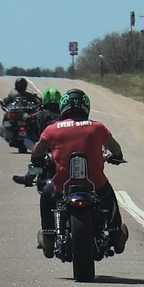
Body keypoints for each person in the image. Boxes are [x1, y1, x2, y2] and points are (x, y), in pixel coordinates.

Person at [28, 88, 129, 259]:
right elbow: (116, 149)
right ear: (86, 107)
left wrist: (38, 160)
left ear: (63, 107)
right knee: (109, 195)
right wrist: (117, 157)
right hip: (95, 184)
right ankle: (116, 234)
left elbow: (37, 152)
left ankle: (49, 237)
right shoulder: (97, 127)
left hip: (62, 186)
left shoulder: (52, 129)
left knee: (46, 194)